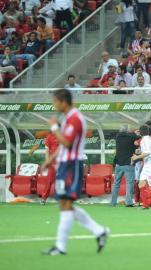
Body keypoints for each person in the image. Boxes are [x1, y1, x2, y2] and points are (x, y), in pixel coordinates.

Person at [41, 89, 109, 255]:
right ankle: (99, 231)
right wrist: (49, 160)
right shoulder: (68, 118)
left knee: (66, 204)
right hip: (64, 165)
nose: (54, 105)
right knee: (64, 203)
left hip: (72, 165)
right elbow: (63, 145)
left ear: (63, 101)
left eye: (55, 102)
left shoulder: (75, 118)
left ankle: (61, 247)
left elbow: (68, 143)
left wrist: (54, 127)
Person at [110, 125, 140, 207]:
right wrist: (135, 133)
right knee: (129, 183)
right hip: (128, 164)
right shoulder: (131, 137)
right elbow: (138, 136)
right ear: (128, 131)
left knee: (116, 183)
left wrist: (133, 134)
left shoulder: (118, 137)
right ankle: (129, 202)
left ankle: (113, 202)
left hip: (118, 164)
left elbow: (131, 141)